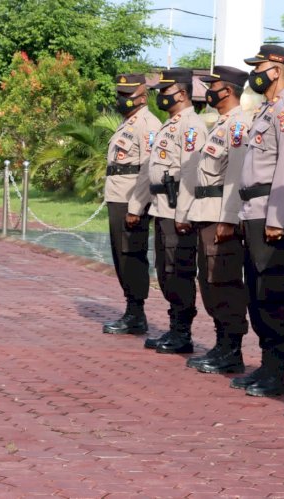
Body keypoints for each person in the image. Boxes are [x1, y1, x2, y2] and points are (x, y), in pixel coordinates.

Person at [228, 45, 284, 397]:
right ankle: (266, 365)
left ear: (275, 70)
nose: (254, 72)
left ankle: (278, 371)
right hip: (253, 211)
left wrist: (276, 217)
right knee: (256, 292)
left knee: (272, 292)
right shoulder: (268, 109)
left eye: (258, 66)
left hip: (270, 214)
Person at [133, 68, 207, 354]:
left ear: (183, 93)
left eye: (166, 91)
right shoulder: (171, 124)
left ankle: (182, 332)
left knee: (179, 271)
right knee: (165, 270)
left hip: (177, 208)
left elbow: (190, 173)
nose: (161, 96)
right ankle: (175, 326)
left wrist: (183, 214)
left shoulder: (191, 126)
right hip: (162, 206)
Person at [185, 66, 250, 374]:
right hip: (205, 213)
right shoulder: (220, 125)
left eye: (214, 86)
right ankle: (221, 343)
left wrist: (229, 218)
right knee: (208, 281)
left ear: (229, 91)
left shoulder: (238, 125)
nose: (209, 91)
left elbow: (236, 177)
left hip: (220, 217)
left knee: (223, 281)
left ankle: (231, 348)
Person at [101, 73, 160, 335]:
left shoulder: (147, 123)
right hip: (118, 196)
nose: (122, 100)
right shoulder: (128, 123)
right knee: (120, 255)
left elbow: (148, 169)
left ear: (142, 97)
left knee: (131, 256)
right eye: (120, 95)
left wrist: (137, 206)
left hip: (131, 200)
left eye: (127, 95)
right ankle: (131, 309)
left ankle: (136, 313)